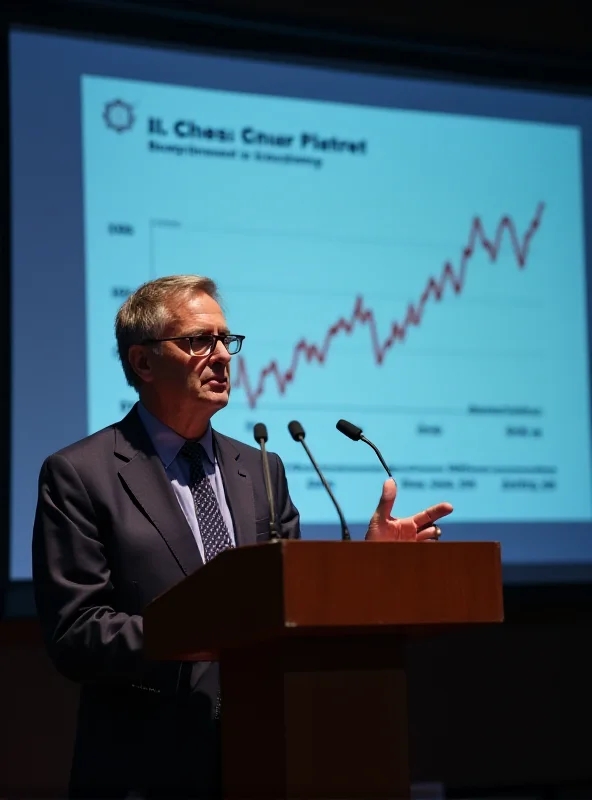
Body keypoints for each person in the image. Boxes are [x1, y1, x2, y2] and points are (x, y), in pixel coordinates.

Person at [32, 275, 452, 799]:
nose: (222, 356)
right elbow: (76, 633)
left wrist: (367, 568)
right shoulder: (81, 473)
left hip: (272, 754)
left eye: (225, 340)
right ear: (143, 363)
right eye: (197, 341)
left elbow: (291, 601)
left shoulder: (261, 467)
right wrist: (199, 629)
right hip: (147, 767)